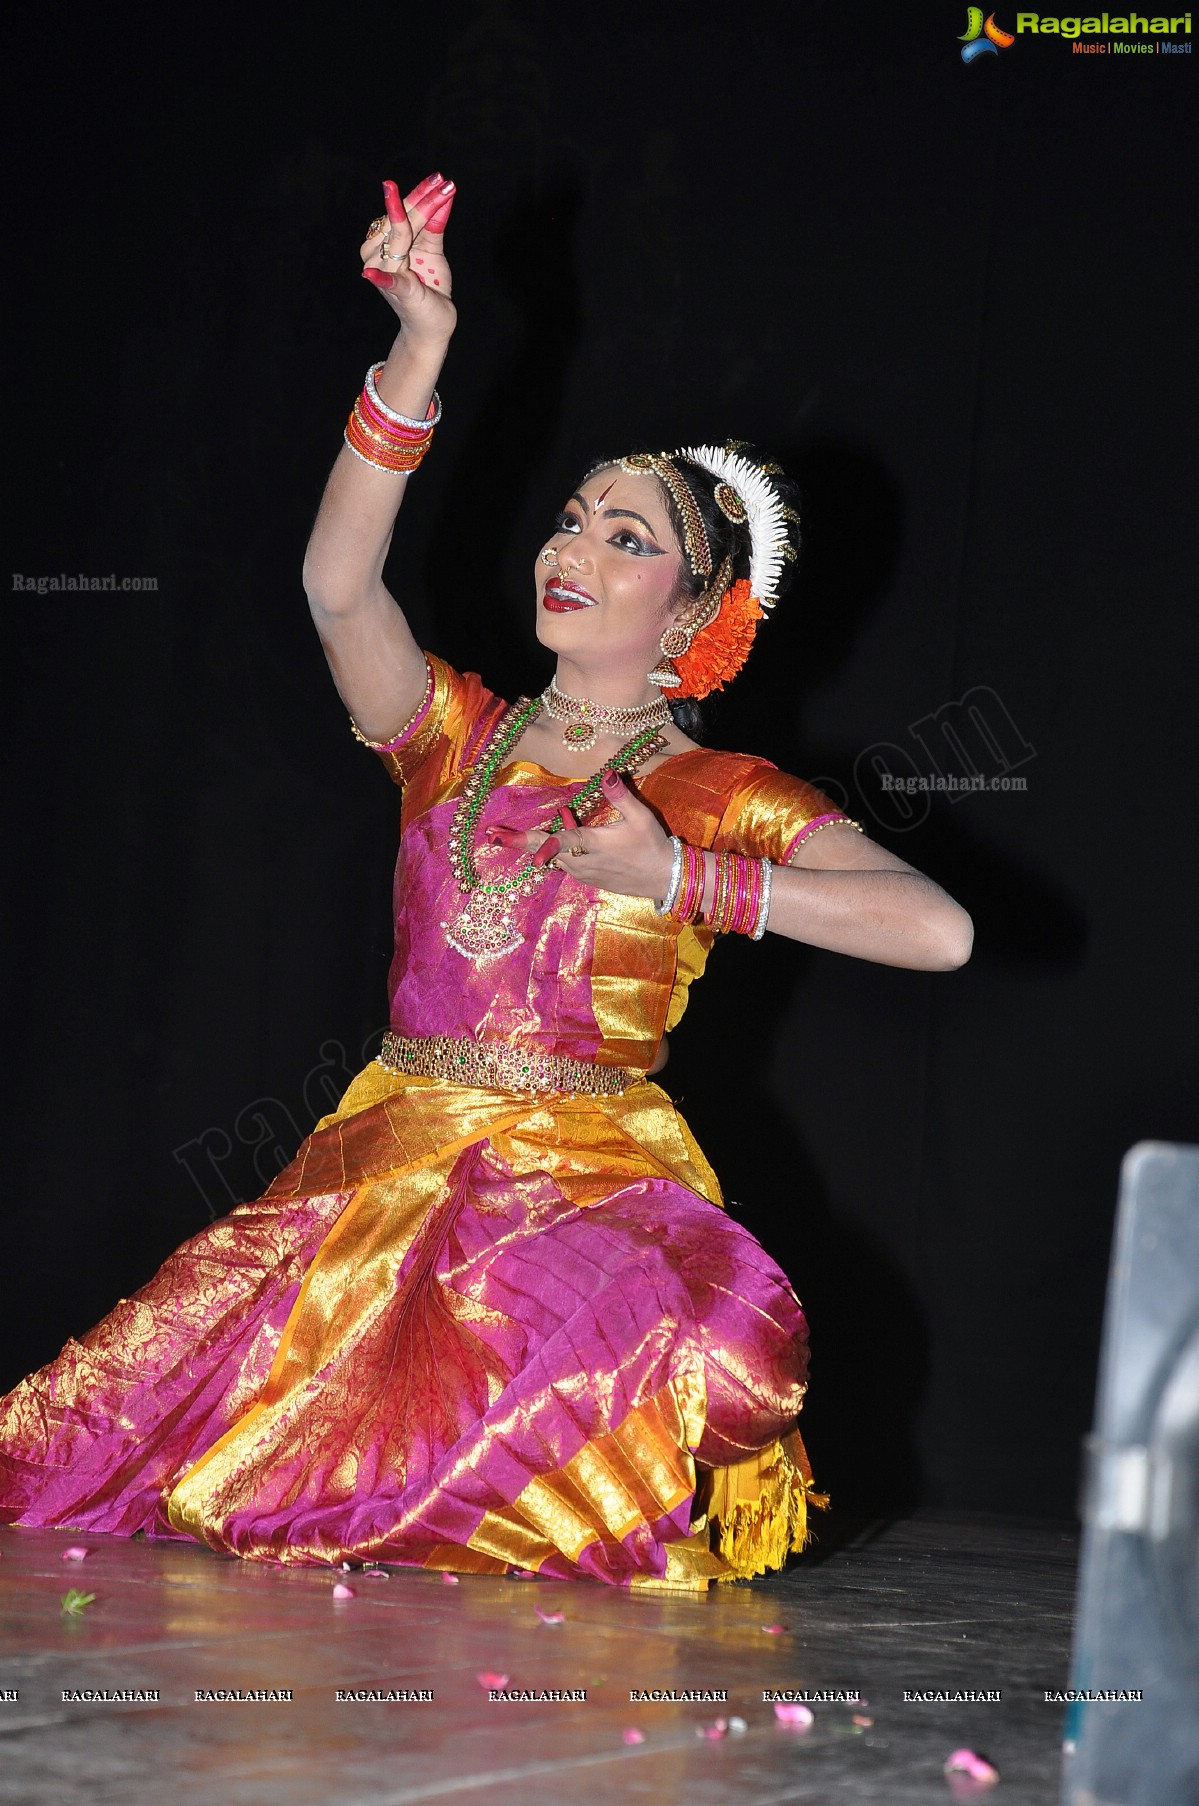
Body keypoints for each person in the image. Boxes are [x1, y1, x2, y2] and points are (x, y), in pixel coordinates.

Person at [0, 173, 972, 1589]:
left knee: (738, 1352)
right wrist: (416, 354)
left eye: (625, 538)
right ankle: (404, 1472)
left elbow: (935, 930)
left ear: (695, 612)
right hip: (390, 1166)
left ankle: (460, 1474)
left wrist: (684, 872)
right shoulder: (452, 728)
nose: (572, 549)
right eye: (572, 519)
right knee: (90, 1431)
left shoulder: (722, 793)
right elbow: (340, 589)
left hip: (586, 1186)